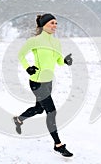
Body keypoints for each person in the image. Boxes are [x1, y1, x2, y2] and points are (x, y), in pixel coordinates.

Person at [13, 13, 73, 157]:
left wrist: (65, 61)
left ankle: (19, 119)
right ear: (44, 25)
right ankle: (58, 144)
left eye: (56, 23)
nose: (55, 26)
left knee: (39, 109)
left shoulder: (56, 43)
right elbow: (20, 55)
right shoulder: (35, 41)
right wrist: (28, 67)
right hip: (37, 81)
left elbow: (58, 61)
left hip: (48, 81)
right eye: (52, 23)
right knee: (51, 111)